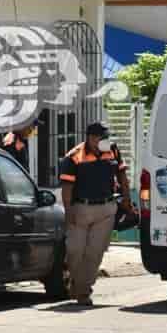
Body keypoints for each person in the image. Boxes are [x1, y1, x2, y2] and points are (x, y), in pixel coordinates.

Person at [59, 121, 131, 305]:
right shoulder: (74, 157)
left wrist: (127, 199)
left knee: (94, 252)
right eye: (102, 137)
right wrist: (69, 213)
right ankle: (76, 281)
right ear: (91, 138)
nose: (106, 140)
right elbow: (67, 187)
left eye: (106, 136)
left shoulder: (112, 150)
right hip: (80, 209)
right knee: (75, 250)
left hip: (106, 210)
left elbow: (121, 175)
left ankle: (83, 291)